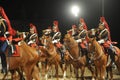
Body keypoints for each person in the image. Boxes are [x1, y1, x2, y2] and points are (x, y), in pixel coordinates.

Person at [0, 6, 17, 73]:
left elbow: (2, 31)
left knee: (1, 51)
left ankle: (4, 67)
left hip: (5, 39)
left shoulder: (3, 21)